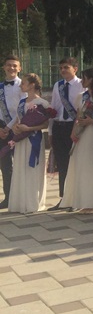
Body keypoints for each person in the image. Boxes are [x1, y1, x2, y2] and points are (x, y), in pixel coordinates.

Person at [62, 68, 93, 214]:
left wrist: (92, 121)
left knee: (92, 167)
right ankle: (81, 200)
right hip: (81, 135)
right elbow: (77, 117)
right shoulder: (80, 97)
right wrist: (73, 132)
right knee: (81, 166)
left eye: (85, 78)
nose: (82, 81)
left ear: (92, 79)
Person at [7, 74, 50, 214]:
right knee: (20, 168)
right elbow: (18, 119)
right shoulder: (22, 102)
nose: (21, 85)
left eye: (23, 83)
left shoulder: (43, 103)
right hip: (21, 140)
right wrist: (15, 128)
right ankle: (20, 203)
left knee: (32, 169)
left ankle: (32, 202)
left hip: (34, 139)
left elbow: (45, 124)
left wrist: (29, 128)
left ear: (32, 85)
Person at [47, 57, 83, 210]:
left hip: (74, 127)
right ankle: (63, 198)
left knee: (75, 164)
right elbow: (53, 108)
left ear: (75, 68)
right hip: (59, 127)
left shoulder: (82, 84)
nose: (62, 70)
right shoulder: (58, 85)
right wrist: (50, 131)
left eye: (66, 67)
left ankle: (76, 198)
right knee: (62, 164)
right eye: (61, 68)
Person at [0, 55, 23, 210]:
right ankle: (8, 197)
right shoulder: (0, 87)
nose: (11, 68)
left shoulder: (24, 85)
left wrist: (8, 127)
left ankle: (20, 197)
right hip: (2, 130)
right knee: (5, 165)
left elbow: (23, 109)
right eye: (8, 65)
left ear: (19, 68)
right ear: (4, 67)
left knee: (21, 164)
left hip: (18, 129)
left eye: (15, 65)